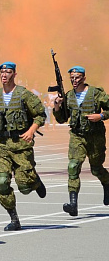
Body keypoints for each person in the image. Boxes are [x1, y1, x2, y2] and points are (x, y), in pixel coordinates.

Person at [0, 61, 47, 231]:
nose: (4, 75)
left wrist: (32, 130)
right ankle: (14, 218)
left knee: (24, 187)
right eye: (2, 72)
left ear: (14, 74)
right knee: (2, 181)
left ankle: (35, 181)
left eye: (8, 72)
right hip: (2, 145)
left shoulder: (24, 95)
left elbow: (40, 114)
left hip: (21, 145)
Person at [51, 65, 109, 216]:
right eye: (72, 78)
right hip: (77, 136)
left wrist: (101, 116)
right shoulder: (69, 96)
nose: (74, 81)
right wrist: (57, 107)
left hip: (95, 136)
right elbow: (63, 118)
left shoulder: (96, 93)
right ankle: (73, 204)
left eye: (77, 78)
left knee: (96, 168)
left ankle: (107, 183)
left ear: (84, 78)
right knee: (73, 166)